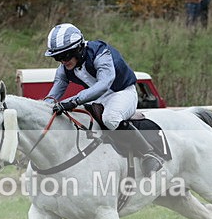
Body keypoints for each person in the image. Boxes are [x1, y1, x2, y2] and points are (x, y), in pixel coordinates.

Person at [42, 23, 163, 176]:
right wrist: (44, 107)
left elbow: (104, 85)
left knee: (110, 119)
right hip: (97, 97)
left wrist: (73, 101)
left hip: (122, 92)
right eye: (57, 57)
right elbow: (56, 90)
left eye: (65, 55)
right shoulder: (64, 67)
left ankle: (149, 153)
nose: (63, 61)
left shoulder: (100, 54)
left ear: (79, 48)